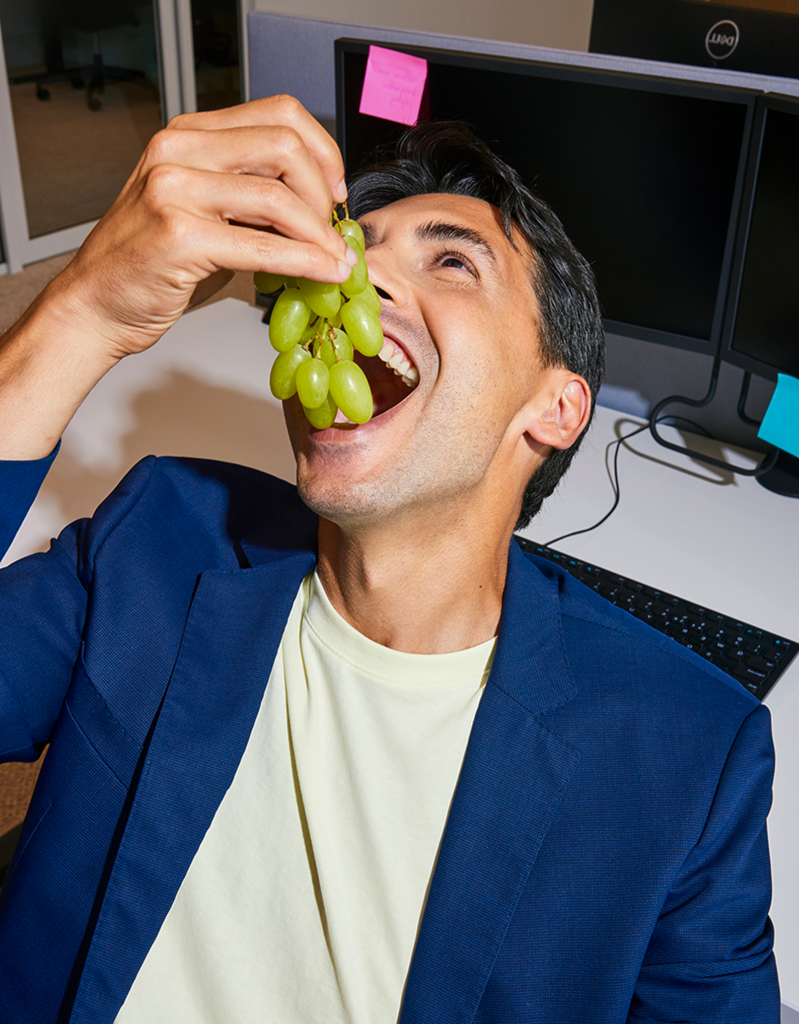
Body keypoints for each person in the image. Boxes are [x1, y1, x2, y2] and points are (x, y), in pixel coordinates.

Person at [0, 96, 778, 1023]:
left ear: (556, 407)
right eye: (351, 255)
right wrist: (83, 313)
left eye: (452, 261)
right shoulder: (159, 536)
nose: (358, 288)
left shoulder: (688, 755)